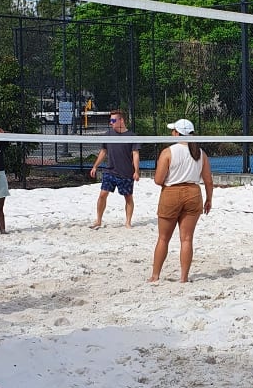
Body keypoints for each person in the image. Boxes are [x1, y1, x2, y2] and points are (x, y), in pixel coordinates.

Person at [148, 118, 213, 283]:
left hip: (172, 192)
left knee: (163, 238)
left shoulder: (169, 151)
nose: (171, 133)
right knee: (187, 239)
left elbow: (158, 179)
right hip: (193, 193)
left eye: (173, 131)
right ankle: (184, 278)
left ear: (178, 133)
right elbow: (208, 180)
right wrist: (209, 199)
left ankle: (155, 276)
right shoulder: (200, 153)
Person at [89, 109, 140, 229]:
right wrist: (95, 166)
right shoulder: (108, 134)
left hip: (126, 172)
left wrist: (137, 171)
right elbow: (103, 151)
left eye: (113, 120)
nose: (111, 122)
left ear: (121, 120)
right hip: (110, 171)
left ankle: (128, 222)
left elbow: (135, 154)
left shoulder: (132, 136)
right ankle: (99, 220)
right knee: (102, 194)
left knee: (128, 197)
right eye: (110, 120)